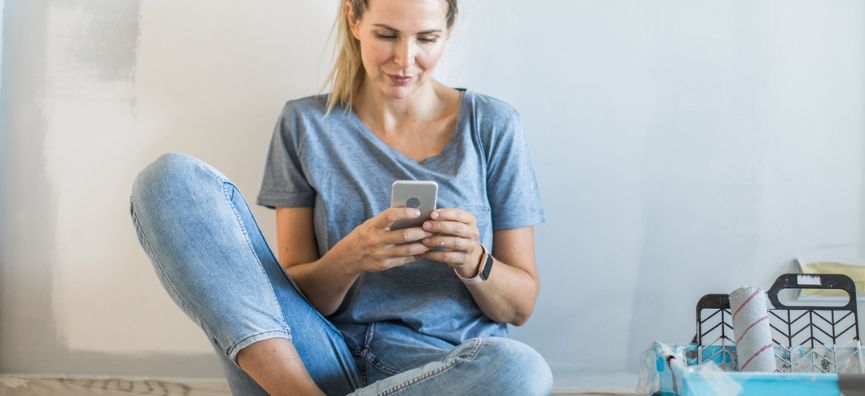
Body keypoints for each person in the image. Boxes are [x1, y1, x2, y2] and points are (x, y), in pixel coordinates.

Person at [128, 0, 552, 394]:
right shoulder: (304, 124)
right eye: (387, 35)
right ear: (354, 19)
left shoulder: (493, 125)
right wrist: (351, 257)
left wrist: (474, 261)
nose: (405, 60)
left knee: (522, 370)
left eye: (426, 39)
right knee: (168, 180)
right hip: (312, 357)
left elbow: (518, 308)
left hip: (442, 368)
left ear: (448, 28)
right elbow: (289, 294)